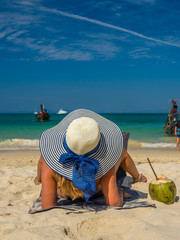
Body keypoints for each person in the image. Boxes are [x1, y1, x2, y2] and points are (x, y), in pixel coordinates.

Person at [35, 109, 147, 209]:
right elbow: (114, 203)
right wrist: (120, 193)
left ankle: (39, 179)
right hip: (94, 192)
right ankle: (137, 177)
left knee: (45, 159)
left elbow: (47, 207)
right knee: (121, 152)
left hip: (65, 192)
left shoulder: (49, 162)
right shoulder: (104, 166)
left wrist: (40, 179)